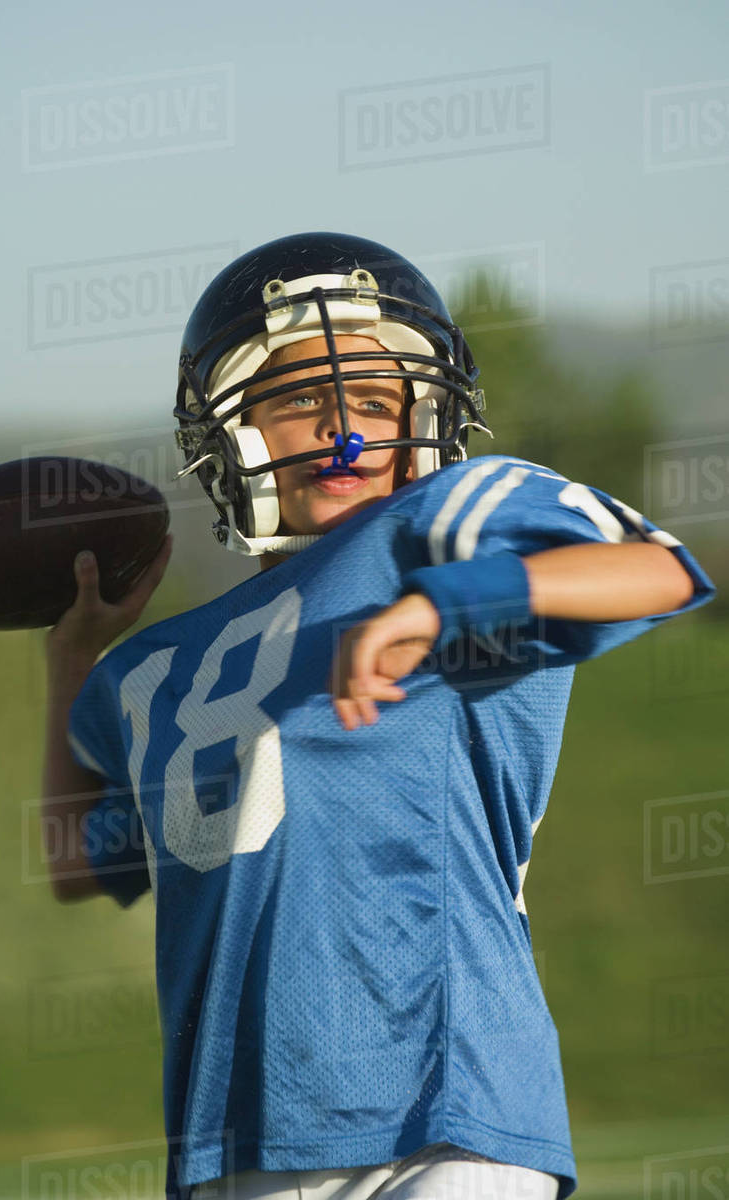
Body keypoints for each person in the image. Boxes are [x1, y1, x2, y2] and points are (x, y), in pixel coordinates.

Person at [41, 232, 715, 1200]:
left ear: (428, 413)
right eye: (300, 402)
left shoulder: (439, 528)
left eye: (368, 398)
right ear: (235, 435)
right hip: (236, 1144)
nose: (343, 431)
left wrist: (446, 602)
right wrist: (69, 661)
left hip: (445, 1119)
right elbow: (78, 863)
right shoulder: (148, 671)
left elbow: (657, 570)